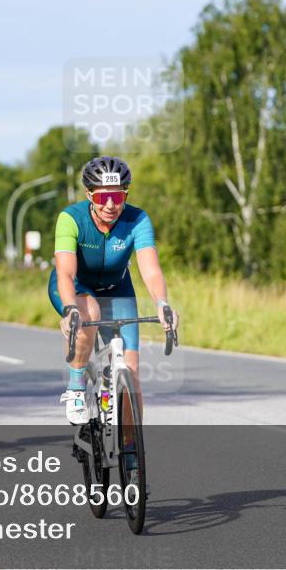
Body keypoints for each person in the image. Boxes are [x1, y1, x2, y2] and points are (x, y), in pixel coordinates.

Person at [48, 156, 179, 424]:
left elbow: (151, 270)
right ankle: (76, 387)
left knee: (131, 369)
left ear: (125, 195)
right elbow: (66, 273)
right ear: (89, 195)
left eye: (117, 197)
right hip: (76, 286)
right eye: (102, 197)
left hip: (117, 287)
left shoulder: (137, 219)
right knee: (89, 312)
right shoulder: (71, 218)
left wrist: (162, 304)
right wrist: (70, 309)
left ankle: (131, 444)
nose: (110, 205)